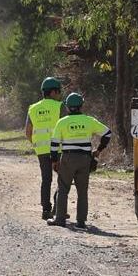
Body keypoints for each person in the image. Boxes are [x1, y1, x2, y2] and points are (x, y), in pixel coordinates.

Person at [48, 92, 112, 229]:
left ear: (67, 107)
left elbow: (54, 144)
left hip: (68, 157)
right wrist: (99, 150)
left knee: (63, 188)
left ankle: (59, 219)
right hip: (85, 158)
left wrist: (54, 161)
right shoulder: (89, 120)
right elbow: (107, 133)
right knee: (82, 191)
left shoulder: (62, 122)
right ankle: (81, 222)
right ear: (81, 106)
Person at [25, 77, 65, 219]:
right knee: (63, 178)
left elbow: (28, 132)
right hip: (59, 150)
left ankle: (45, 210)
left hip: (41, 151)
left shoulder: (33, 109)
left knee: (46, 179)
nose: (60, 94)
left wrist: (36, 144)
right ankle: (58, 207)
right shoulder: (59, 107)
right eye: (59, 91)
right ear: (53, 92)